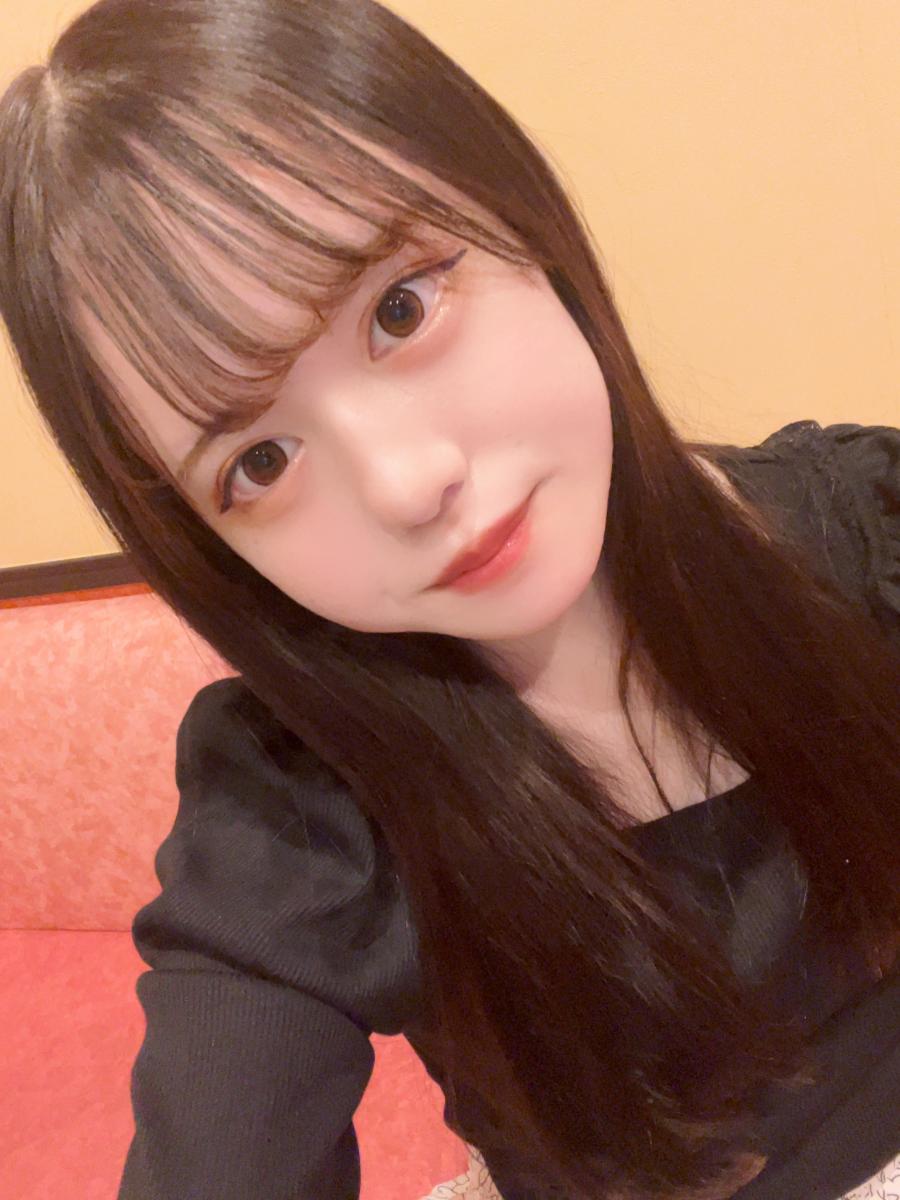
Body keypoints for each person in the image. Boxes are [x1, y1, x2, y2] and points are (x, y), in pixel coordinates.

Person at [0, 2, 897, 1198]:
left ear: (517, 210)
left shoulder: (863, 528)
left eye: (401, 309)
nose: (408, 484)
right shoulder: (303, 815)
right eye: (259, 462)